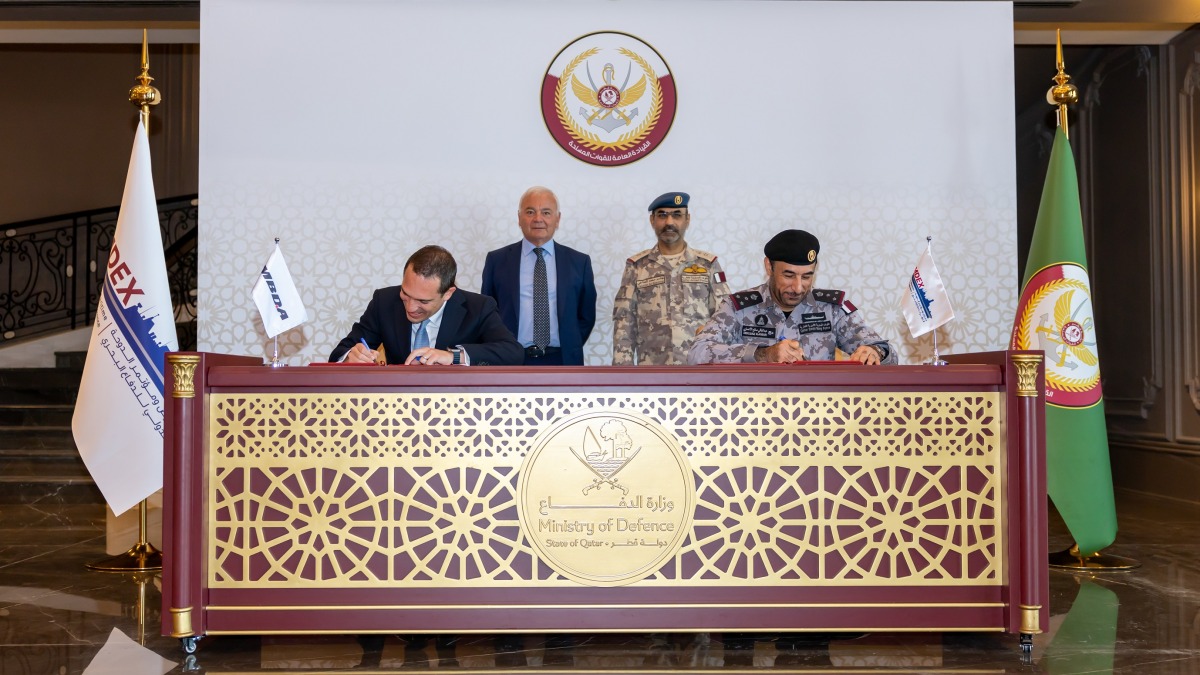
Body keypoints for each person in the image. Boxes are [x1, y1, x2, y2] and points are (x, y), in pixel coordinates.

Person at [687, 229, 897, 365]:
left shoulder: (831, 309)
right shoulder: (738, 308)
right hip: (755, 417)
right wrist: (763, 354)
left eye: (807, 276)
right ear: (768, 266)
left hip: (820, 416)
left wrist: (875, 352)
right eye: (788, 275)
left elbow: (889, 353)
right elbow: (697, 354)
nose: (798, 287)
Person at [330, 245, 523, 366]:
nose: (411, 307)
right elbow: (340, 352)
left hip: (457, 409)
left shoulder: (478, 307)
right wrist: (350, 357)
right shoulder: (385, 301)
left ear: (448, 293)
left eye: (423, 301)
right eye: (406, 294)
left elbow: (512, 352)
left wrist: (453, 357)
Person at [481, 186, 597, 365]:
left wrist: (569, 342)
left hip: (563, 360)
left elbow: (586, 316)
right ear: (519, 218)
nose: (538, 219)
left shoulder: (579, 262)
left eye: (546, 212)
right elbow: (488, 313)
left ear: (557, 219)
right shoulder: (497, 261)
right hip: (511, 359)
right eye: (530, 212)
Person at [612, 191, 730, 365]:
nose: (669, 222)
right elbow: (624, 321)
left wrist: (724, 366)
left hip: (699, 368)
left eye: (677, 215)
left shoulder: (708, 265)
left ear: (687, 219)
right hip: (652, 370)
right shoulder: (637, 266)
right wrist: (623, 374)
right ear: (652, 220)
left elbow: (725, 317)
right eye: (662, 215)